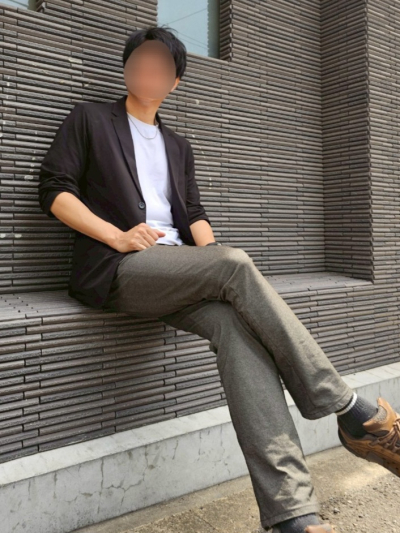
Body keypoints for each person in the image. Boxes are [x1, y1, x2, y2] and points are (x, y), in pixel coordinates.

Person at [38, 25, 400, 533]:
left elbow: (194, 215)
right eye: (141, 60)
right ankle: (349, 408)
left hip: (178, 270)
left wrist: (211, 267)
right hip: (119, 268)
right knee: (233, 263)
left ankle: (293, 517)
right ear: (126, 68)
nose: (149, 70)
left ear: (175, 82)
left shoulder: (177, 145)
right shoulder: (91, 119)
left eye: (162, 65)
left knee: (236, 331)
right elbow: (54, 190)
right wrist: (118, 236)